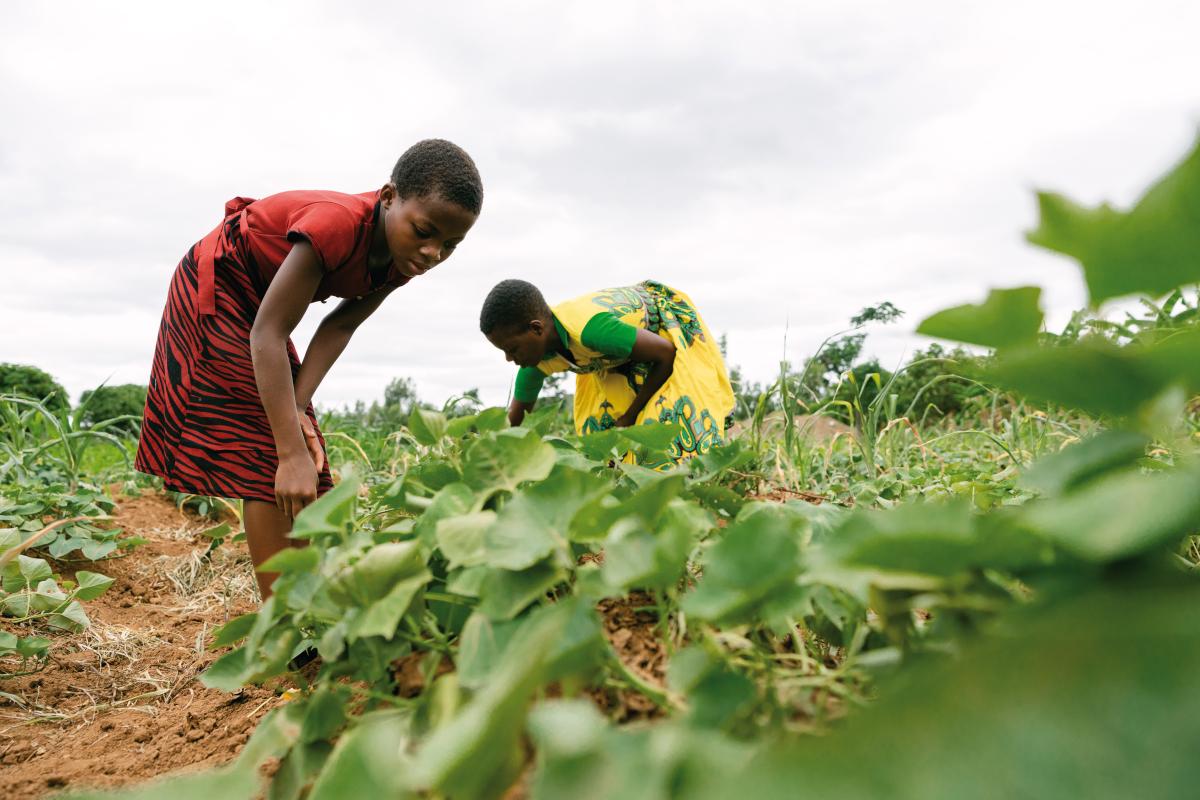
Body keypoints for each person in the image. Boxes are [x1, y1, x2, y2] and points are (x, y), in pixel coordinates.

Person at [137, 139, 482, 599]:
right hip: (220, 284)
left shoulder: (402, 261)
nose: (432, 253)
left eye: (450, 245)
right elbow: (267, 336)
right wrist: (287, 450)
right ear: (388, 197)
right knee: (268, 451)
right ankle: (285, 621)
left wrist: (298, 411)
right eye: (424, 231)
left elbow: (339, 327)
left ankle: (307, 601)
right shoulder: (335, 225)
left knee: (304, 451)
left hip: (262, 309)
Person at [480, 279, 734, 463]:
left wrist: (631, 415)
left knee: (666, 433)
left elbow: (666, 354)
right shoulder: (533, 365)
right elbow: (515, 423)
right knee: (603, 445)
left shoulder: (593, 330)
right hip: (615, 354)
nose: (508, 358)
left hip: (660, 331)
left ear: (536, 329)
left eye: (512, 349)